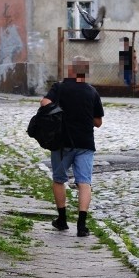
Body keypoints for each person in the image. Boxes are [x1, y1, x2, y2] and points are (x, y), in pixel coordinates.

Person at [41, 56, 104, 237]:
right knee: (84, 182)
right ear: (85, 72)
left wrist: (59, 112)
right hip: (85, 143)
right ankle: (82, 225)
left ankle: (62, 220)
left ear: (71, 70)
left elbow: (44, 102)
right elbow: (98, 122)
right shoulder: (92, 92)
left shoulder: (59, 87)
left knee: (59, 179)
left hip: (62, 143)